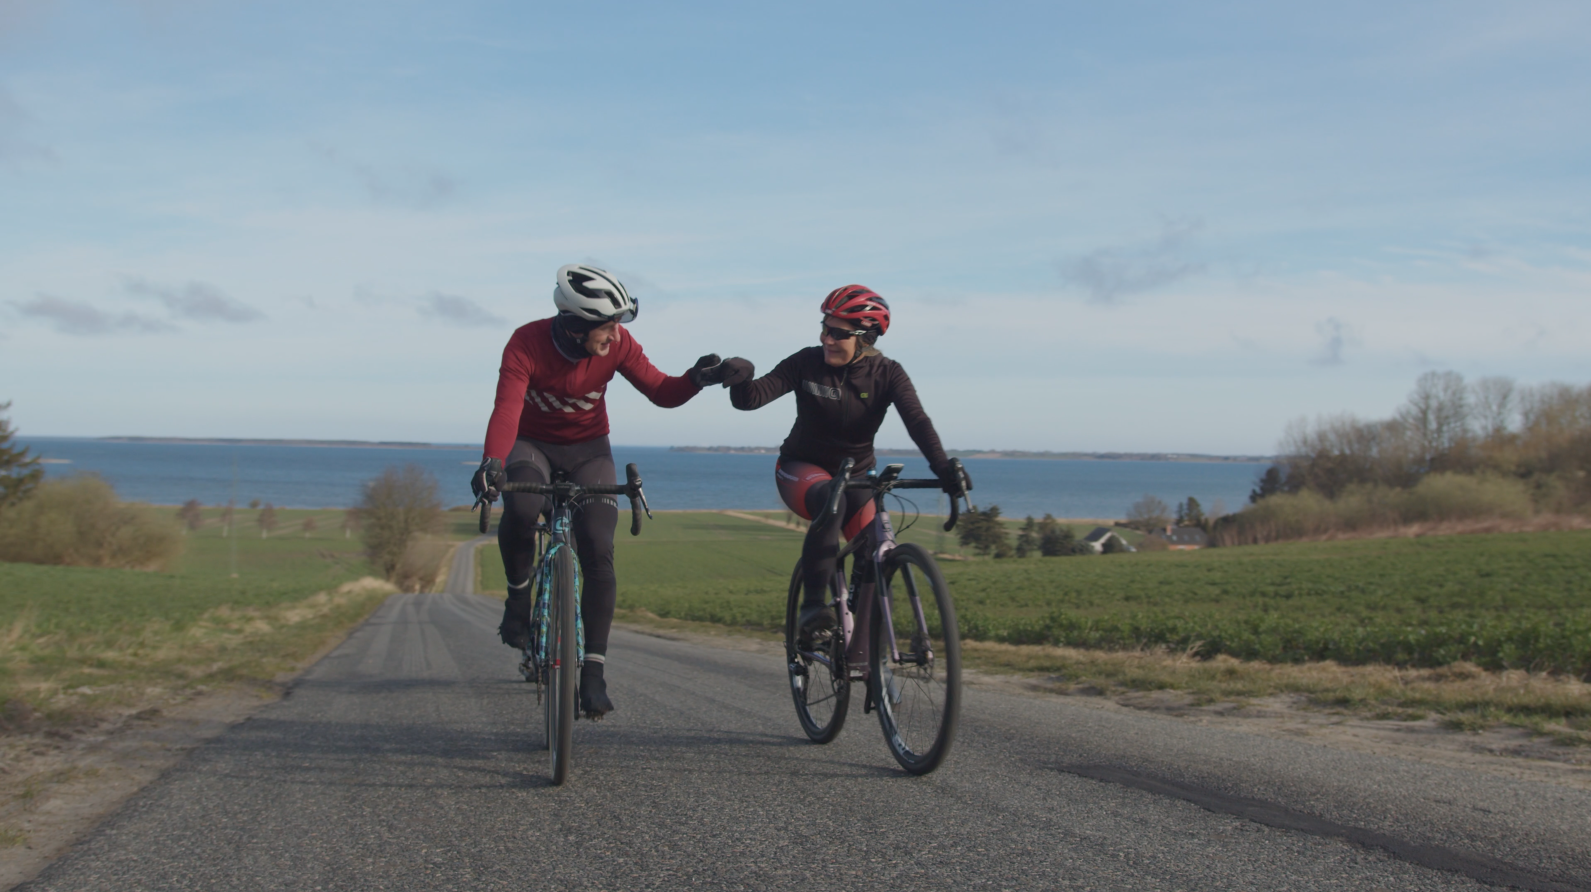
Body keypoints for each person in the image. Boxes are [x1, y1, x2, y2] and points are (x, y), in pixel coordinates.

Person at [471, 264, 751, 718]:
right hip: (532, 445)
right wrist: (493, 463)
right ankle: (518, 595)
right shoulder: (527, 342)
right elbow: (506, 409)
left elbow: (661, 391)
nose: (615, 333)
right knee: (522, 507)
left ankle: (594, 672)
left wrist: (697, 379)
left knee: (598, 545)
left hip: (589, 451)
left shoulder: (618, 344)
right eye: (607, 324)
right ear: (577, 324)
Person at [726, 285, 966, 643]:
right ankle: (812, 608)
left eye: (838, 333)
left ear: (866, 338)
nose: (827, 339)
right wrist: (740, 379)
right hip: (801, 469)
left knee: (873, 555)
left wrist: (943, 468)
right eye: (824, 328)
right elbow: (752, 399)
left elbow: (917, 421)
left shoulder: (887, 373)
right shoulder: (805, 362)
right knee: (830, 497)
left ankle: (871, 657)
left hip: (857, 477)